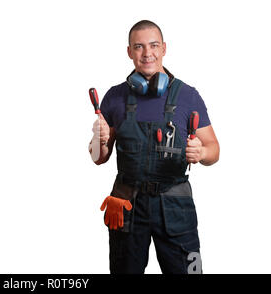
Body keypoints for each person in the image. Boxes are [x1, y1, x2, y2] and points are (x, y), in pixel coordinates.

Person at [89, 20, 220, 274]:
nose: (147, 53)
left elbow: (214, 149)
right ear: (129, 52)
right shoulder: (115, 97)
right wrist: (99, 139)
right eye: (138, 46)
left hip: (174, 206)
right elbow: (99, 158)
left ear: (164, 49)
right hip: (127, 204)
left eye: (153, 45)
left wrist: (202, 152)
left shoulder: (188, 96)